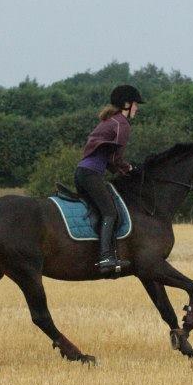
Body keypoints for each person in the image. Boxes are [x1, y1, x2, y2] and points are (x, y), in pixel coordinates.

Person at [75, 84, 143, 276]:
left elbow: (109, 160)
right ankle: (106, 257)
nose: (137, 109)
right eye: (136, 104)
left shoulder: (108, 121)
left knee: (100, 211)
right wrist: (130, 168)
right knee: (111, 213)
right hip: (91, 174)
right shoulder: (122, 123)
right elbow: (115, 159)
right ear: (127, 104)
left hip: (82, 173)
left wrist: (121, 170)